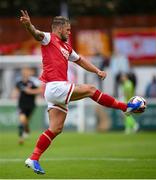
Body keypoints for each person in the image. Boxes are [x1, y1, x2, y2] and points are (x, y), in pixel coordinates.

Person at [20, 10, 142, 174]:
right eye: (68, 30)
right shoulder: (49, 38)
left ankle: (33, 158)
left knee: (55, 129)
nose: (69, 33)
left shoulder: (66, 47)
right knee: (91, 90)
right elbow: (36, 34)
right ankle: (125, 108)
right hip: (55, 86)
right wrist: (28, 25)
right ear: (59, 28)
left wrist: (97, 71)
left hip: (55, 90)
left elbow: (81, 60)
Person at [12, 67, 42, 144]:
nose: (24, 72)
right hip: (21, 104)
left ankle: (27, 129)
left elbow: (40, 90)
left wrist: (30, 91)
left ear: (30, 72)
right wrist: (13, 95)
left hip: (31, 104)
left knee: (26, 121)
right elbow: (16, 90)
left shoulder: (34, 81)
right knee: (22, 120)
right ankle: (21, 138)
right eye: (23, 71)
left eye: (26, 71)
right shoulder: (19, 82)